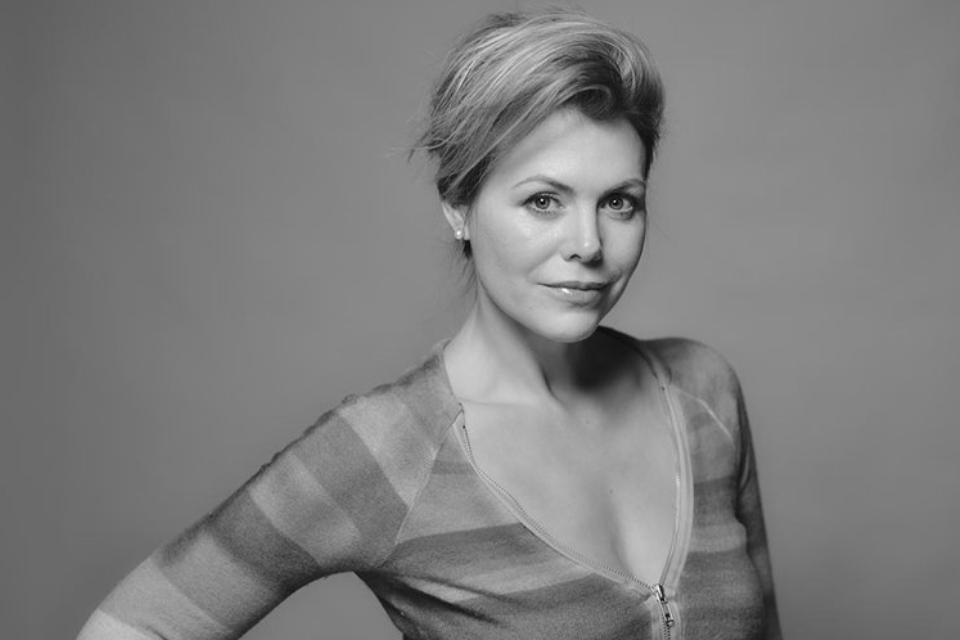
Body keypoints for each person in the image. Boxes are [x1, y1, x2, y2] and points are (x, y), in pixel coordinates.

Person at [77, 9, 781, 640]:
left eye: (619, 202)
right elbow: (139, 627)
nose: (588, 244)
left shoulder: (701, 394)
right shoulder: (391, 453)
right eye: (543, 201)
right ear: (459, 206)